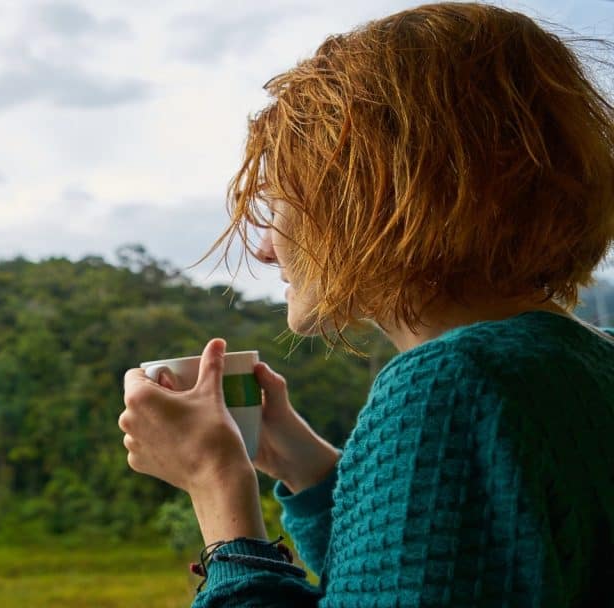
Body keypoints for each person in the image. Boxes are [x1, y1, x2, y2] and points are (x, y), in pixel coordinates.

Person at [118, 3, 614, 606]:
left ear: (368, 198)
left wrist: (218, 489)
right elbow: (432, 574)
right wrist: (305, 467)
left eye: (275, 206)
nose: (266, 249)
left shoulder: (448, 384)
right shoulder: (584, 364)